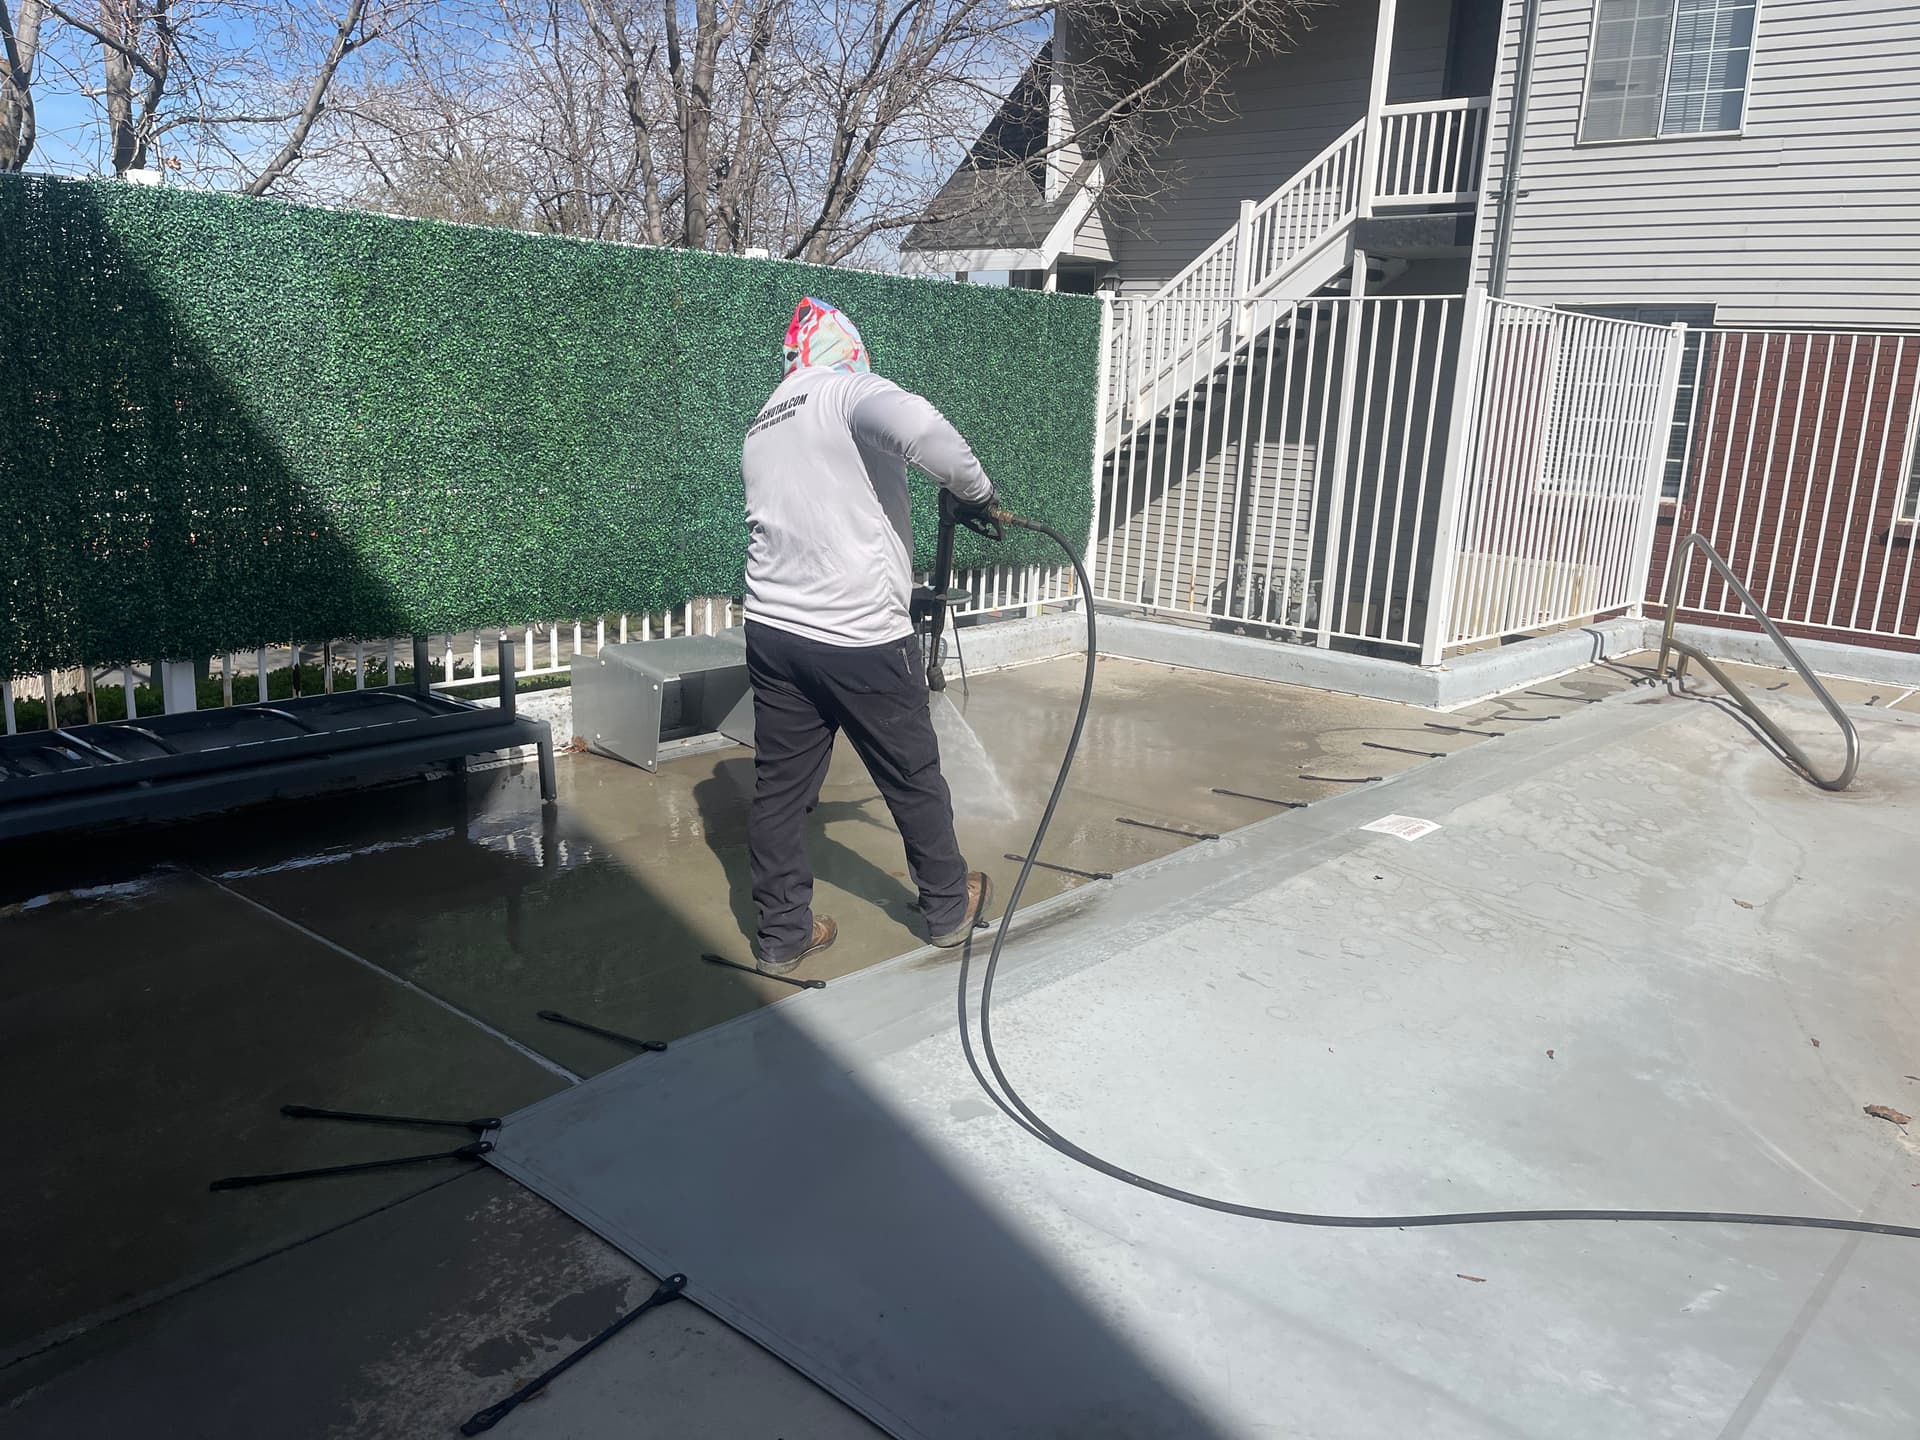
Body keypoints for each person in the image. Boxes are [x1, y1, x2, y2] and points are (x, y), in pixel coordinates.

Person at [739, 297, 997, 975]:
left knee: (781, 792)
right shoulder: (844, 390)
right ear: (844, 350)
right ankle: (947, 907)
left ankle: (782, 936)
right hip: (856, 634)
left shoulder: (764, 422)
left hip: (773, 632)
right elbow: (920, 427)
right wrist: (973, 492)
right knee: (911, 774)